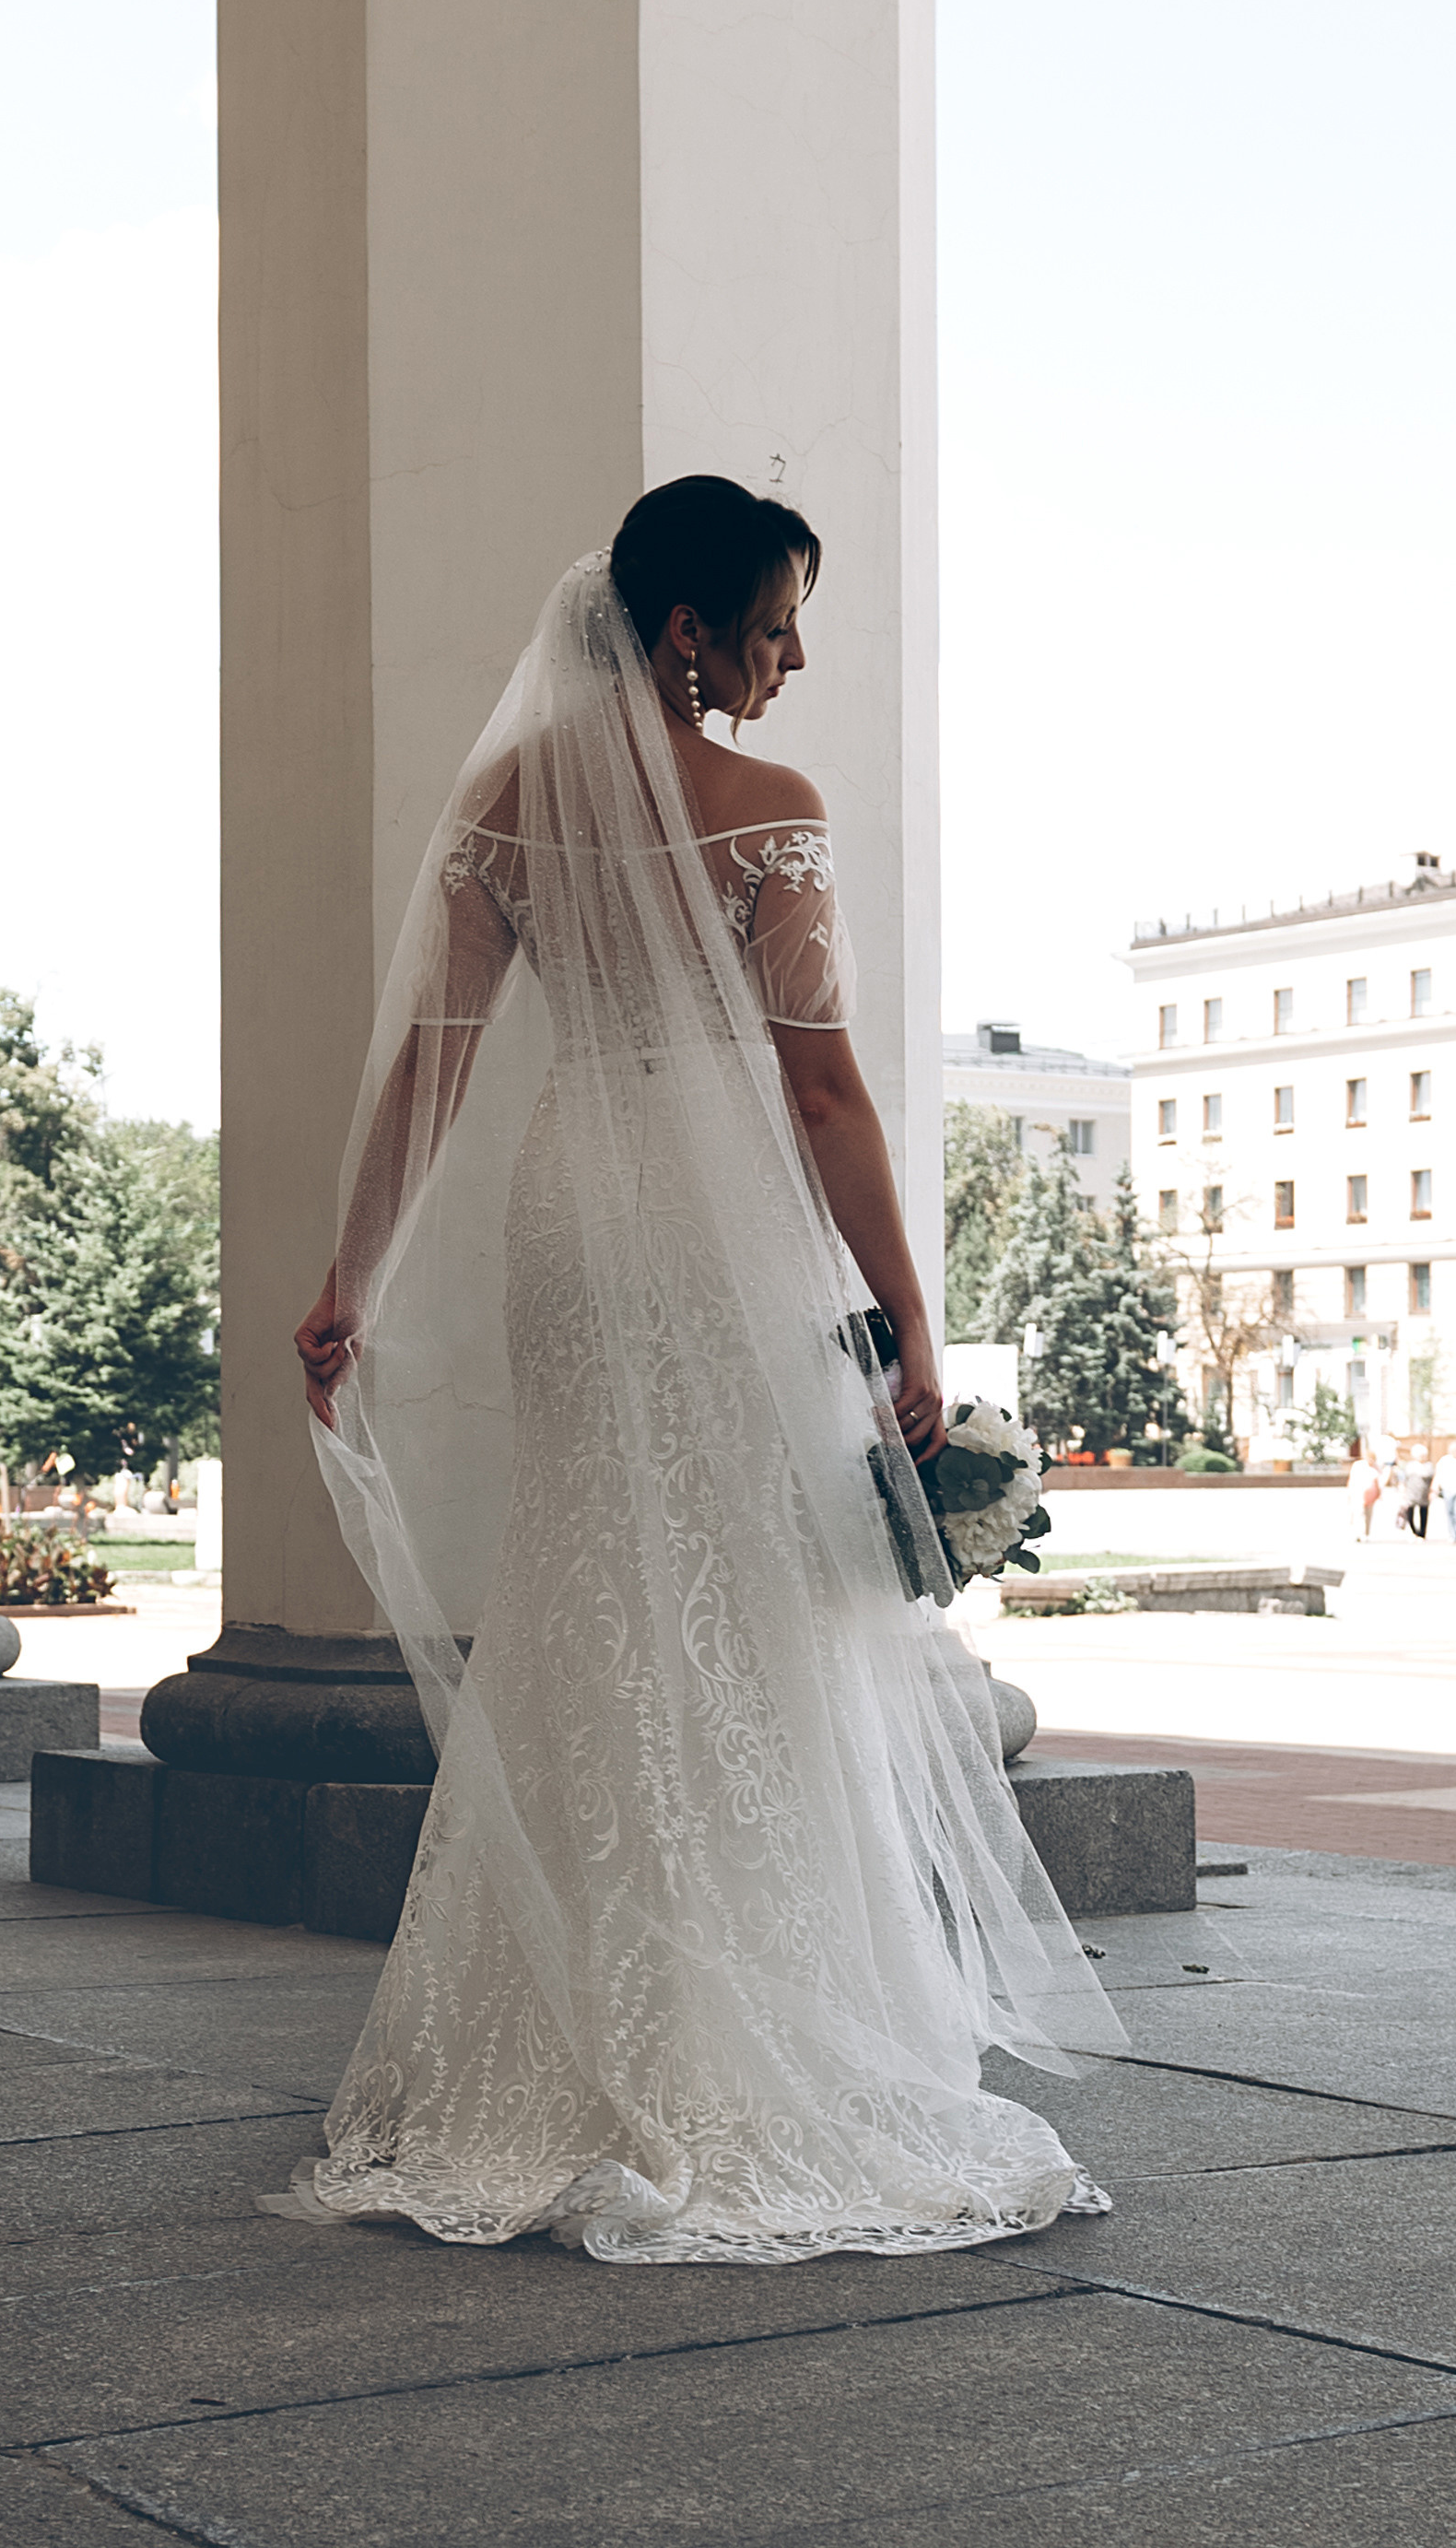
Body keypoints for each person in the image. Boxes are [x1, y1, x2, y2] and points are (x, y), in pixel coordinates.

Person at [277, 476, 1121, 2264]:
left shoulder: (509, 804)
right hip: (712, 1219)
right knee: (755, 1593)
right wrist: (907, 1312)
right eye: (776, 620)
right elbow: (819, 1086)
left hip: (567, 1203)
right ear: (686, 633)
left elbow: (430, 1063)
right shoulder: (766, 810)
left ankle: (543, 2045)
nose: (795, 652)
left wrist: (351, 1271)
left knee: (585, 1568)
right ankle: (748, 2026)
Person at [1345, 1437, 1381, 1540]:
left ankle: (1366, 1533)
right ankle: (1359, 1533)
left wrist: (1379, 1493)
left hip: (1371, 1495)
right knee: (1359, 1513)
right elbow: (1352, 1479)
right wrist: (1349, 1492)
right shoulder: (1358, 1465)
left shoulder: (1375, 1467)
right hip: (1358, 1493)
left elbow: (1378, 1481)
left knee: (1368, 1514)